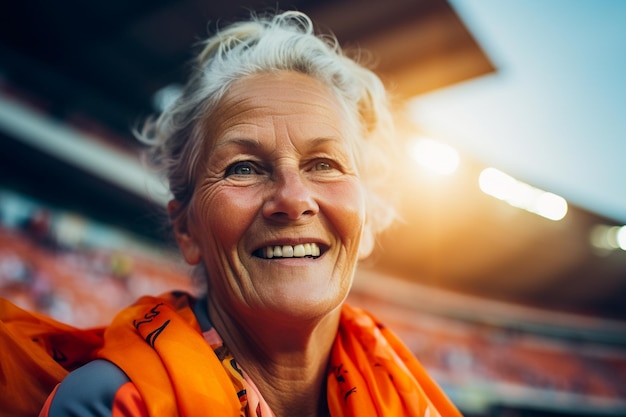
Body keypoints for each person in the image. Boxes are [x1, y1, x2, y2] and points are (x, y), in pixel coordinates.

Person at [34, 10, 462, 417]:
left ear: (366, 221)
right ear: (187, 229)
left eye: (324, 165)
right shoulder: (109, 403)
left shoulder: (413, 397)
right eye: (243, 168)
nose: (294, 200)